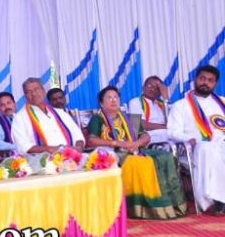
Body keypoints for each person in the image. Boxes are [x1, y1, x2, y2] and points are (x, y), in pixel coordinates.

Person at [86, 86, 186, 219]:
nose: (113, 100)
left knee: (166, 157)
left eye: (116, 97)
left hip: (136, 149)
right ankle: (146, 207)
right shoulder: (97, 119)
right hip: (113, 153)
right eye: (109, 98)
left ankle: (173, 205)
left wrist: (136, 144)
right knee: (142, 163)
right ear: (101, 103)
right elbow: (91, 141)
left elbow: (146, 136)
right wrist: (118, 143)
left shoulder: (130, 118)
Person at [168, 65, 225, 215]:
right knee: (208, 148)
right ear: (195, 80)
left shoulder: (222, 102)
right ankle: (214, 201)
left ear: (215, 84)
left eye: (210, 80)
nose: (205, 82)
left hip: (222, 144)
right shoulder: (180, 106)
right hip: (196, 147)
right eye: (202, 78)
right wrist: (188, 138)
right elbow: (173, 132)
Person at [11, 78, 85, 154]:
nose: (34, 94)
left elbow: (78, 135)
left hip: (71, 157)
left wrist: (78, 147)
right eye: (29, 92)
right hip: (42, 160)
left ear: (43, 91)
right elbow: (23, 146)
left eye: (36, 89)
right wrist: (50, 149)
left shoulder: (60, 113)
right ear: (25, 96)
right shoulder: (20, 118)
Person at [127, 76, 171, 145]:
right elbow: (141, 125)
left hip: (165, 133)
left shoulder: (162, 104)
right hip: (147, 136)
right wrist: (166, 127)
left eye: (157, 88)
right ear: (143, 87)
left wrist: (166, 99)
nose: (152, 89)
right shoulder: (135, 102)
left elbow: (172, 121)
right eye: (150, 86)